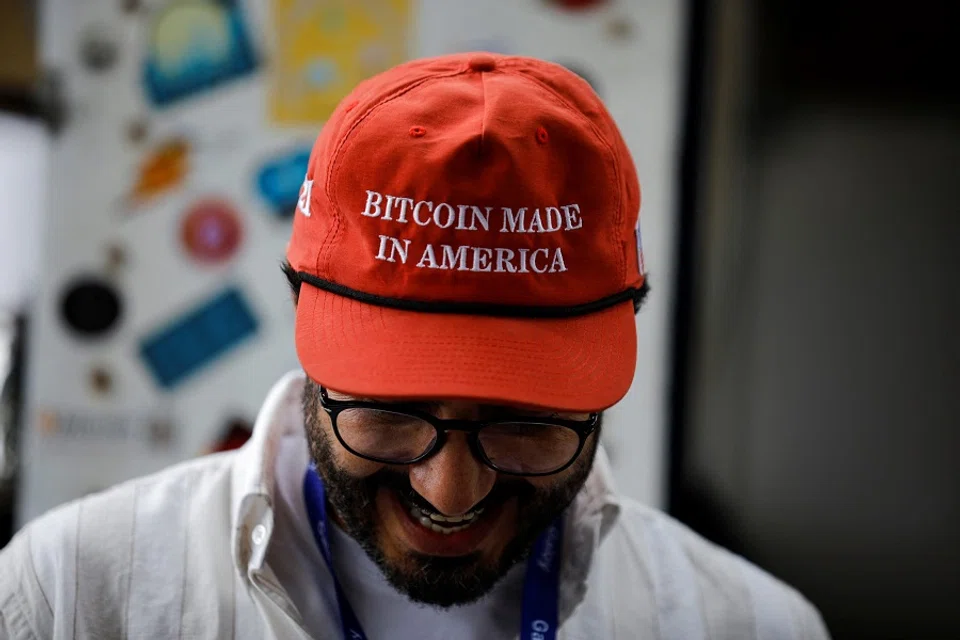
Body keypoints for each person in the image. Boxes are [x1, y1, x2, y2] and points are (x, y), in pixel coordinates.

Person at [0, 53, 830, 639]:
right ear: (304, 326)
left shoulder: (746, 626)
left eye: (523, 421)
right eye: (393, 411)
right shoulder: (75, 596)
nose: (451, 487)